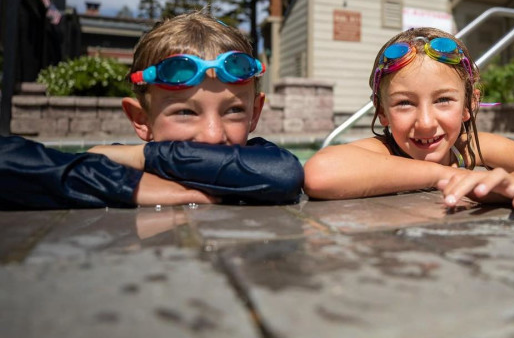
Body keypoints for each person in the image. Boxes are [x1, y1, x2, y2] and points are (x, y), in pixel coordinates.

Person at [0, 11, 303, 210]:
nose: (213, 135)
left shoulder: (258, 160)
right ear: (140, 119)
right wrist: (126, 184)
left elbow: (285, 173)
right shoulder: (110, 168)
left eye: (234, 110)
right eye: (186, 112)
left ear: (255, 112)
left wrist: (144, 156)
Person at [303, 27, 514, 210]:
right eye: (405, 103)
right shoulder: (383, 151)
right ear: (382, 111)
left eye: (443, 100)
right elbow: (319, 173)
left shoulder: (469, 146)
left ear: (468, 106)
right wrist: (446, 176)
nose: (425, 122)